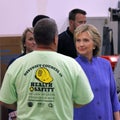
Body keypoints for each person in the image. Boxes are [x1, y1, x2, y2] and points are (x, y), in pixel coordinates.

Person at [0, 18, 94, 120]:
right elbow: (84, 99)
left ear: (36, 38)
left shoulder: (17, 64)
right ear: (55, 39)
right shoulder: (71, 65)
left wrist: (24, 105)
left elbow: (5, 100)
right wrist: (63, 103)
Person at [73, 24, 120, 120]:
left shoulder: (106, 65)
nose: (81, 44)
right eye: (78, 40)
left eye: (85, 40)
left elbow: (113, 98)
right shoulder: (71, 66)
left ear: (95, 44)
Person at [8, 27, 36, 120]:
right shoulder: (15, 62)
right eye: (31, 39)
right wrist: (13, 114)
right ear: (24, 43)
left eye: (36, 39)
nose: (34, 42)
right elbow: (9, 91)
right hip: (19, 112)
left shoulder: (46, 62)